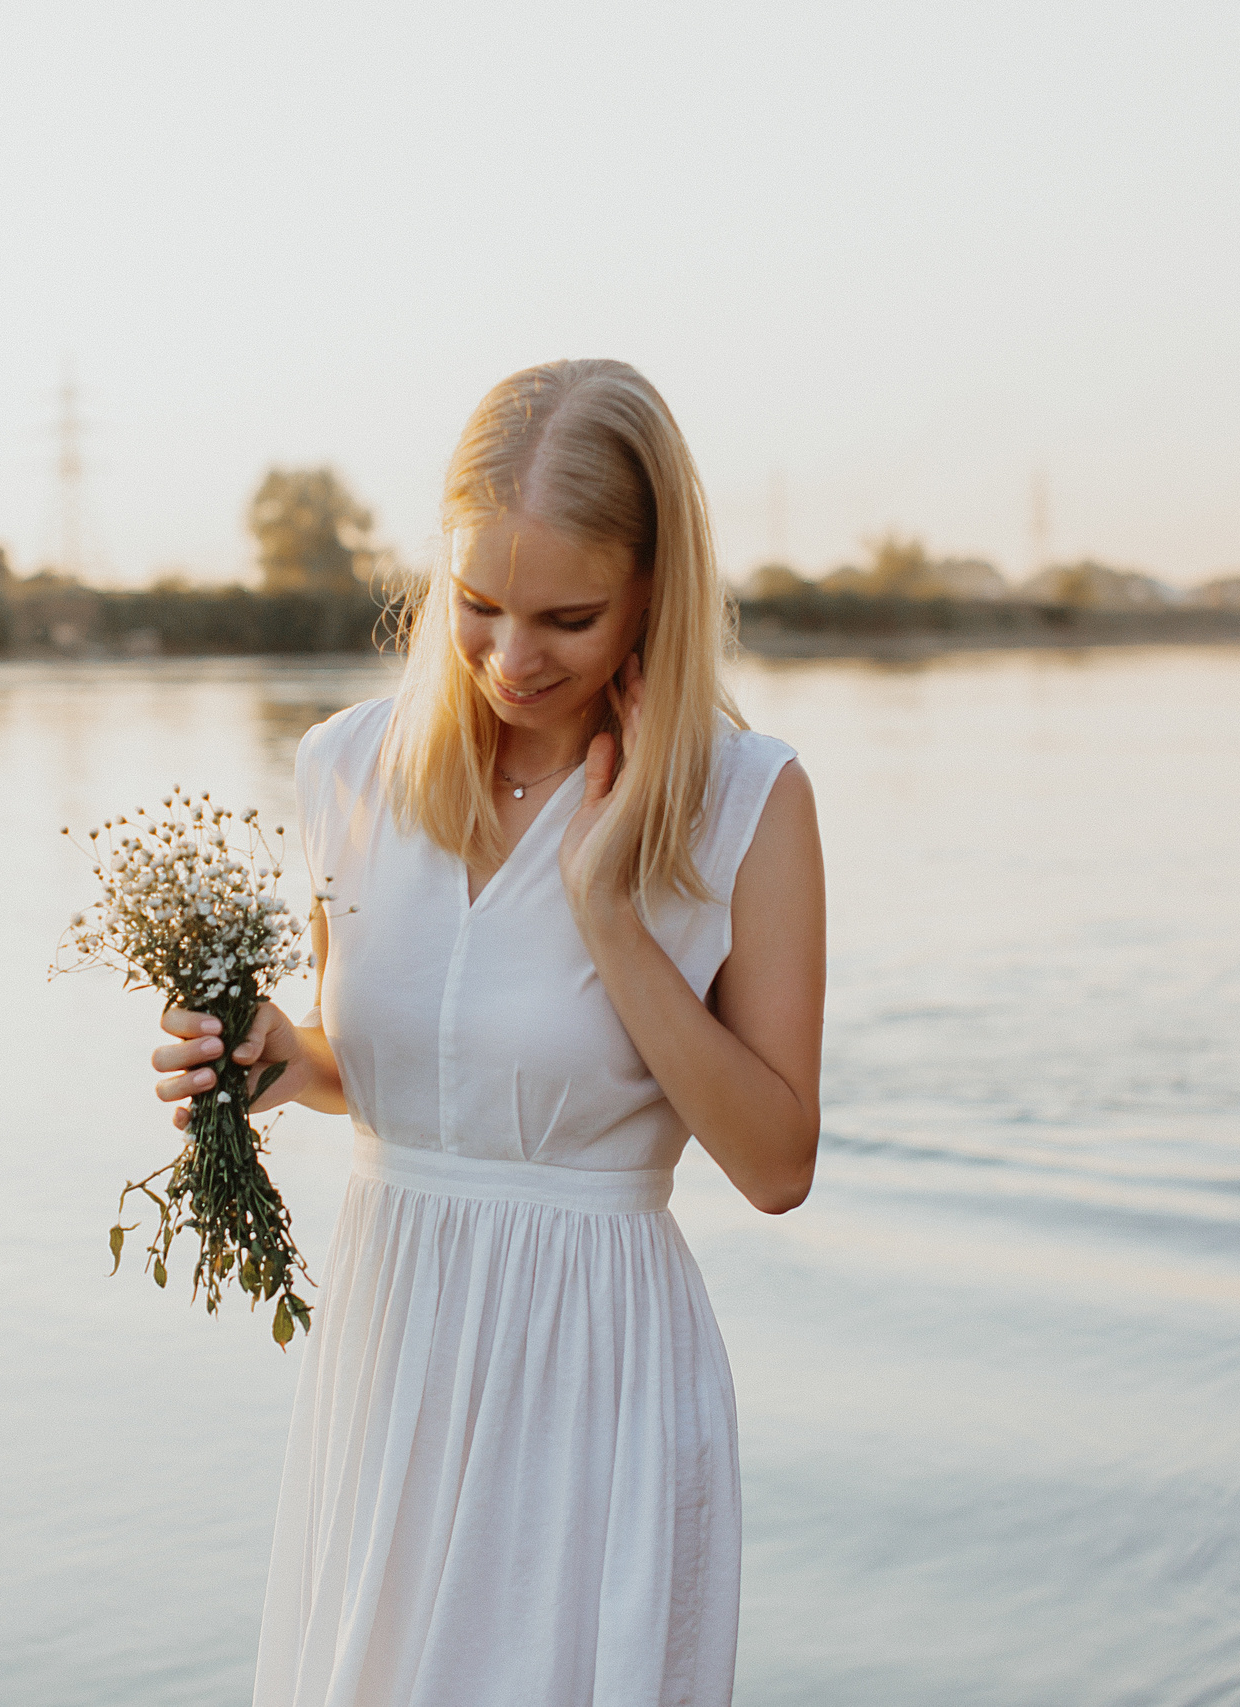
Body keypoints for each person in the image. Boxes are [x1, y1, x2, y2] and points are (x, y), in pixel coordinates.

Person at [151, 358, 826, 1706]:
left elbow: (774, 1165)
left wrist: (608, 910)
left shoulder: (747, 805)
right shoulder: (349, 770)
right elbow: (400, 1075)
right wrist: (280, 1059)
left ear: (654, 592)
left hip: (594, 1379)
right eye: (479, 605)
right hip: (393, 1353)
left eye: (568, 618)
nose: (513, 660)